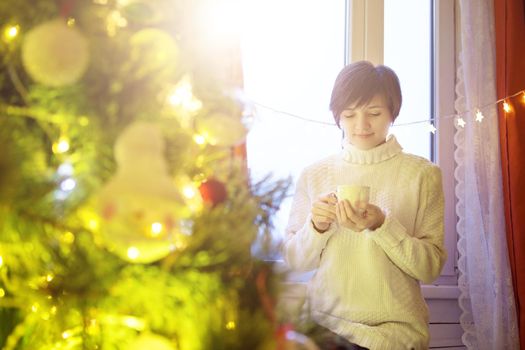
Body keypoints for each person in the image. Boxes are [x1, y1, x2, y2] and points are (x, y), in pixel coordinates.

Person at [282, 61, 447, 350]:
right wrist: (316, 227)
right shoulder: (314, 174)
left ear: (393, 112)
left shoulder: (423, 175)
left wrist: (382, 225)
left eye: (374, 113)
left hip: (397, 336)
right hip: (326, 329)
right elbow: (296, 262)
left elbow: (430, 268)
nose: (361, 125)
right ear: (337, 116)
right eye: (349, 115)